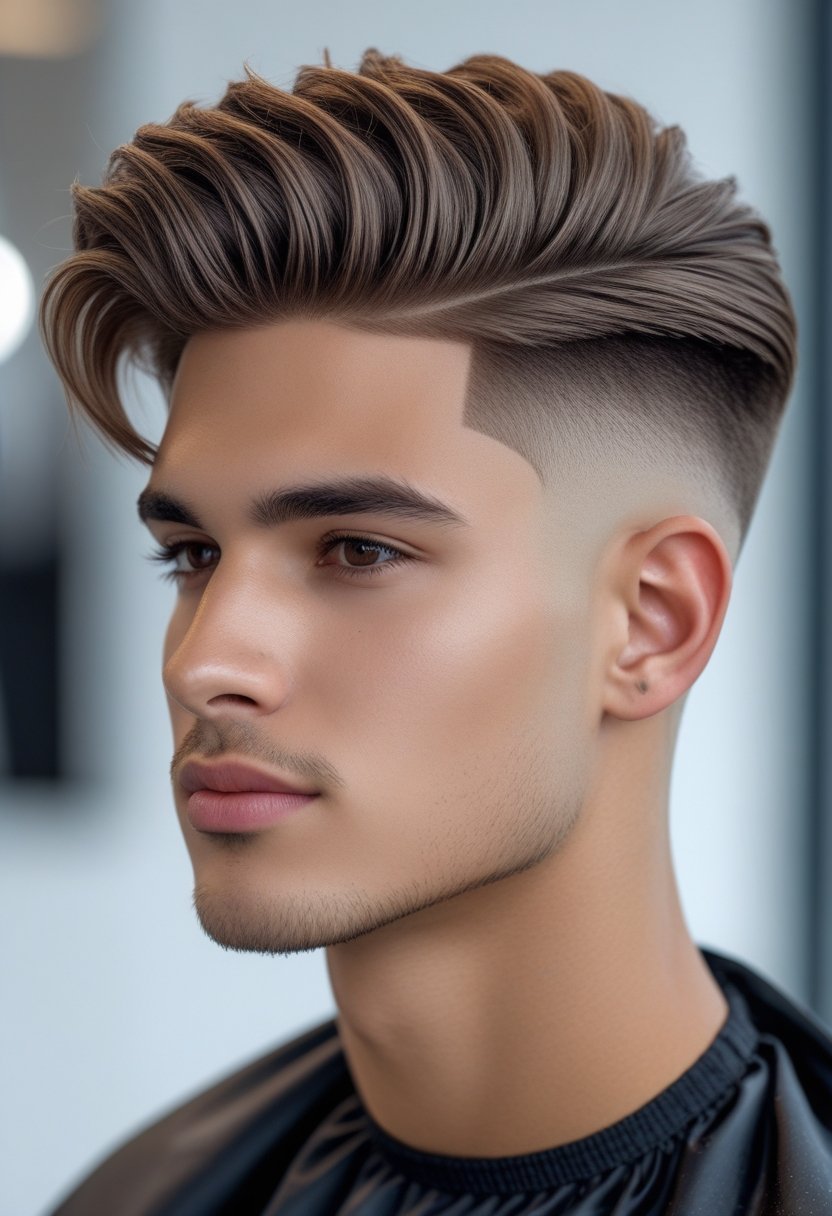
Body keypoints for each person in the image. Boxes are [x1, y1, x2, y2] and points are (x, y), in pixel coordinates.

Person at [39, 45, 832, 1216]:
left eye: (357, 551)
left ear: (650, 623)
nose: (204, 662)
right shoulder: (137, 1195)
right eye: (194, 554)